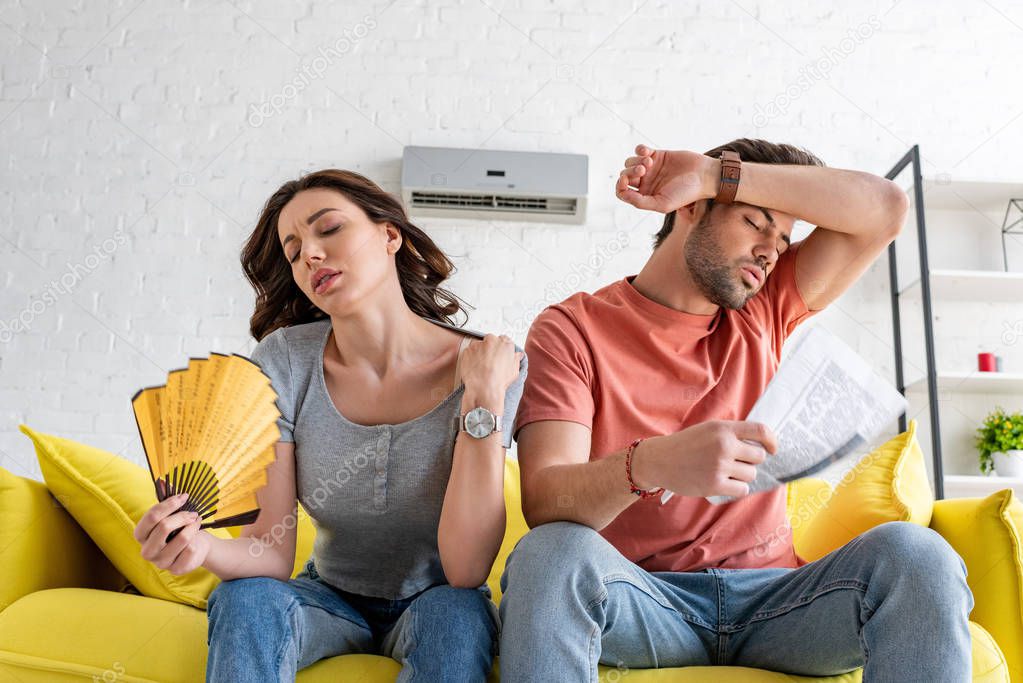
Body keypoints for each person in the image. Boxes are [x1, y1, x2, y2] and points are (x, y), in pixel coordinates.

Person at [498, 140, 973, 681]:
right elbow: (544, 500)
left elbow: (885, 208)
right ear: (691, 206)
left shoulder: (764, 309)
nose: (772, 251)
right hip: (644, 600)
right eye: (756, 223)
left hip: (779, 606)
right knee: (548, 554)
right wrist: (648, 464)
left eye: (785, 239)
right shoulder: (572, 329)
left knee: (919, 556)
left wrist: (710, 173)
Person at [132, 169, 527, 682]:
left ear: (390, 235)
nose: (310, 255)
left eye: (329, 230)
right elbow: (271, 554)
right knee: (245, 598)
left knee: (458, 615)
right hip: (327, 597)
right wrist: (200, 546)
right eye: (294, 252)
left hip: (438, 599)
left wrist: (482, 397)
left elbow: (466, 569)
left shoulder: (491, 367)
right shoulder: (285, 362)